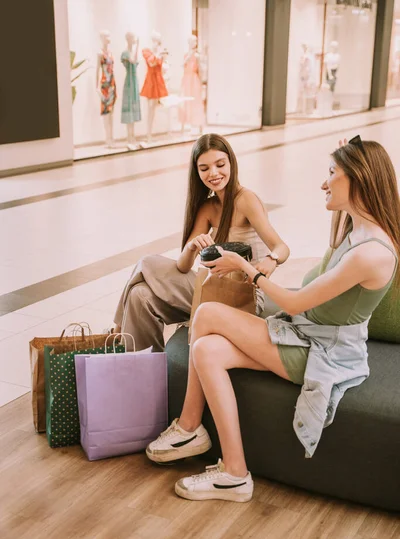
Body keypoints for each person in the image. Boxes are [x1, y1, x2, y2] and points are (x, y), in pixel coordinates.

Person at [146, 136, 400, 503]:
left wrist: (245, 267)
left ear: (357, 179)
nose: (323, 183)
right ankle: (234, 472)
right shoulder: (357, 226)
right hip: (308, 335)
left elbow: (296, 302)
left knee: (207, 313)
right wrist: (346, 157)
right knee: (206, 350)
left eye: (331, 174)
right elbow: (336, 229)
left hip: (322, 352)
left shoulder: (372, 254)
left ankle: (189, 426)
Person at [112, 133, 290, 351]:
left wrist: (272, 260)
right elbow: (183, 266)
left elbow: (282, 247)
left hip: (244, 296)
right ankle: (147, 372)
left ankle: (117, 327)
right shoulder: (208, 207)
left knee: (147, 263)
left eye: (220, 164)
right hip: (213, 289)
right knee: (140, 296)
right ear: (197, 172)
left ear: (231, 163)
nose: (213, 173)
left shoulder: (246, 200)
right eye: (204, 168)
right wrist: (192, 245)